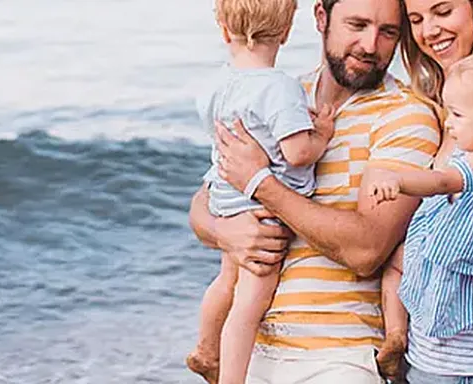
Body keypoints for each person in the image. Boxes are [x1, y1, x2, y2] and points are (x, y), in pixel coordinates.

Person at [189, 0, 441, 382]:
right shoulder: (281, 94)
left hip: (338, 357)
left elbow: (366, 250)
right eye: (356, 25)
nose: (371, 45)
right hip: (252, 351)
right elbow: (207, 199)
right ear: (321, 18)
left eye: (388, 32)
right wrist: (226, 232)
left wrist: (262, 184)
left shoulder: (406, 116)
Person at [186, 0, 335, 383]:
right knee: (249, 308)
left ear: (223, 30)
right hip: (262, 212)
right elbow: (297, 153)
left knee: (225, 281)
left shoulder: (215, 85)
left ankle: (205, 347)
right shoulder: (278, 87)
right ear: (285, 33)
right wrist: (321, 136)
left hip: (225, 202)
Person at [384, 0, 473, 382]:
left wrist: (394, 178)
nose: (428, 31)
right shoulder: (430, 108)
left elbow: (444, 181)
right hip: (428, 350)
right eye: (415, 20)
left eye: (442, 12)